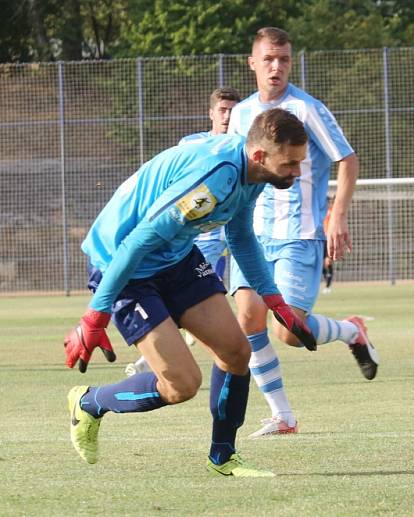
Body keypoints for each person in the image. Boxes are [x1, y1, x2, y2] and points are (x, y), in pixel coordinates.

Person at [64, 108, 317, 477]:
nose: (297, 172)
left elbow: (240, 235)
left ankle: (224, 457)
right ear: (260, 155)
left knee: (236, 351)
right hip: (124, 265)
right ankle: (89, 403)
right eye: (291, 164)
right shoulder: (212, 181)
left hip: (177, 258)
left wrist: (274, 300)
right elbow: (136, 243)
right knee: (181, 385)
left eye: (300, 163)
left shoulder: (256, 171)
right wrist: (95, 315)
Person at [226, 27, 378, 438]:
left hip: (300, 234)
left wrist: (337, 215)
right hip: (252, 235)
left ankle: (351, 331)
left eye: (285, 60)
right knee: (247, 320)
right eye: (269, 59)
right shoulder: (240, 115)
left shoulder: (306, 110)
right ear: (253, 63)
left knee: (289, 331)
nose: (277, 67)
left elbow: (347, 159)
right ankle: (283, 416)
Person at [123, 87, 242, 376]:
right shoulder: (192, 143)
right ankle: (162, 356)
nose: (228, 116)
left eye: (233, 111)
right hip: (192, 238)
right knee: (194, 303)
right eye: (223, 110)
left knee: (235, 310)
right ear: (211, 113)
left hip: (229, 235)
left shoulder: (244, 148)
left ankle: (170, 357)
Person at [321, 198, 334, 294]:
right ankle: (327, 284)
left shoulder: (333, 212)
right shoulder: (322, 211)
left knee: (327, 262)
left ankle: (328, 285)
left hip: (329, 238)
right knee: (322, 264)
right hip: (321, 239)